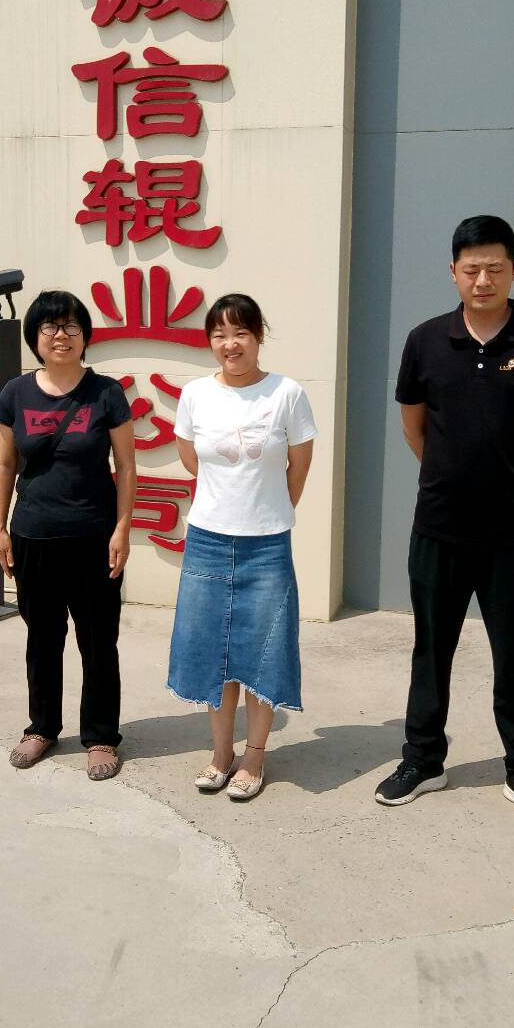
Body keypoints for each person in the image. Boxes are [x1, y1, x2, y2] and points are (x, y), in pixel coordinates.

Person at [375, 216, 514, 830]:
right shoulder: (426, 341)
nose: (482, 279)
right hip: (439, 527)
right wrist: (453, 476)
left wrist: (509, 480)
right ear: (453, 272)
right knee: (430, 650)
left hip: (513, 534)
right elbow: (415, 427)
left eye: (494, 267)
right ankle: (423, 760)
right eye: (471, 269)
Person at [167, 294, 317, 801]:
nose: (230, 344)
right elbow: (192, 460)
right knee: (212, 650)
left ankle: (254, 756)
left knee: (263, 652)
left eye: (240, 334)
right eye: (219, 335)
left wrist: (268, 511)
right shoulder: (195, 395)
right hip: (207, 541)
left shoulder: (287, 393)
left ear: (258, 337)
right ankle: (220, 754)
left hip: (267, 546)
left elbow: (298, 466)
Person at [0, 290, 136, 780]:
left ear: (85, 336)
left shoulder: (106, 393)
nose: (61, 335)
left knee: (99, 643)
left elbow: (126, 466)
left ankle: (101, 735)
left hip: (94, 538)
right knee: (43, 639)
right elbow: (4, 465)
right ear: (35, 336)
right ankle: (42, 728)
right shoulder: (15, 393)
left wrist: (122, 527)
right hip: (33, 536)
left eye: (71, 326)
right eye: (50, 326)